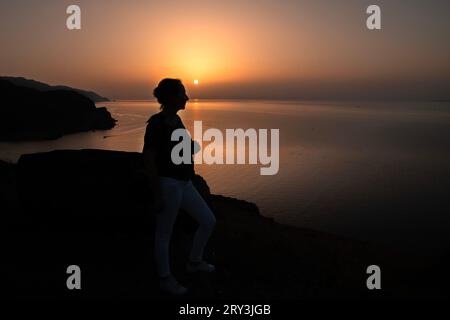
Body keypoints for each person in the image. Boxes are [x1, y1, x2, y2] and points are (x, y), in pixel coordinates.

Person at [143, 78, 216, 295]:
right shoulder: (157, 124)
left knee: (208, 220)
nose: (187, 97)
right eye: (182, 93)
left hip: (184, 183)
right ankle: (165, 279)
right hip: (169, 184)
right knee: (164, 233)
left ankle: (194, 262)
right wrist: (157, 193)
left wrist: (191, 147)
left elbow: (177, 149)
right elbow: (149, 159)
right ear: (171, 97)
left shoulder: (176, 120)